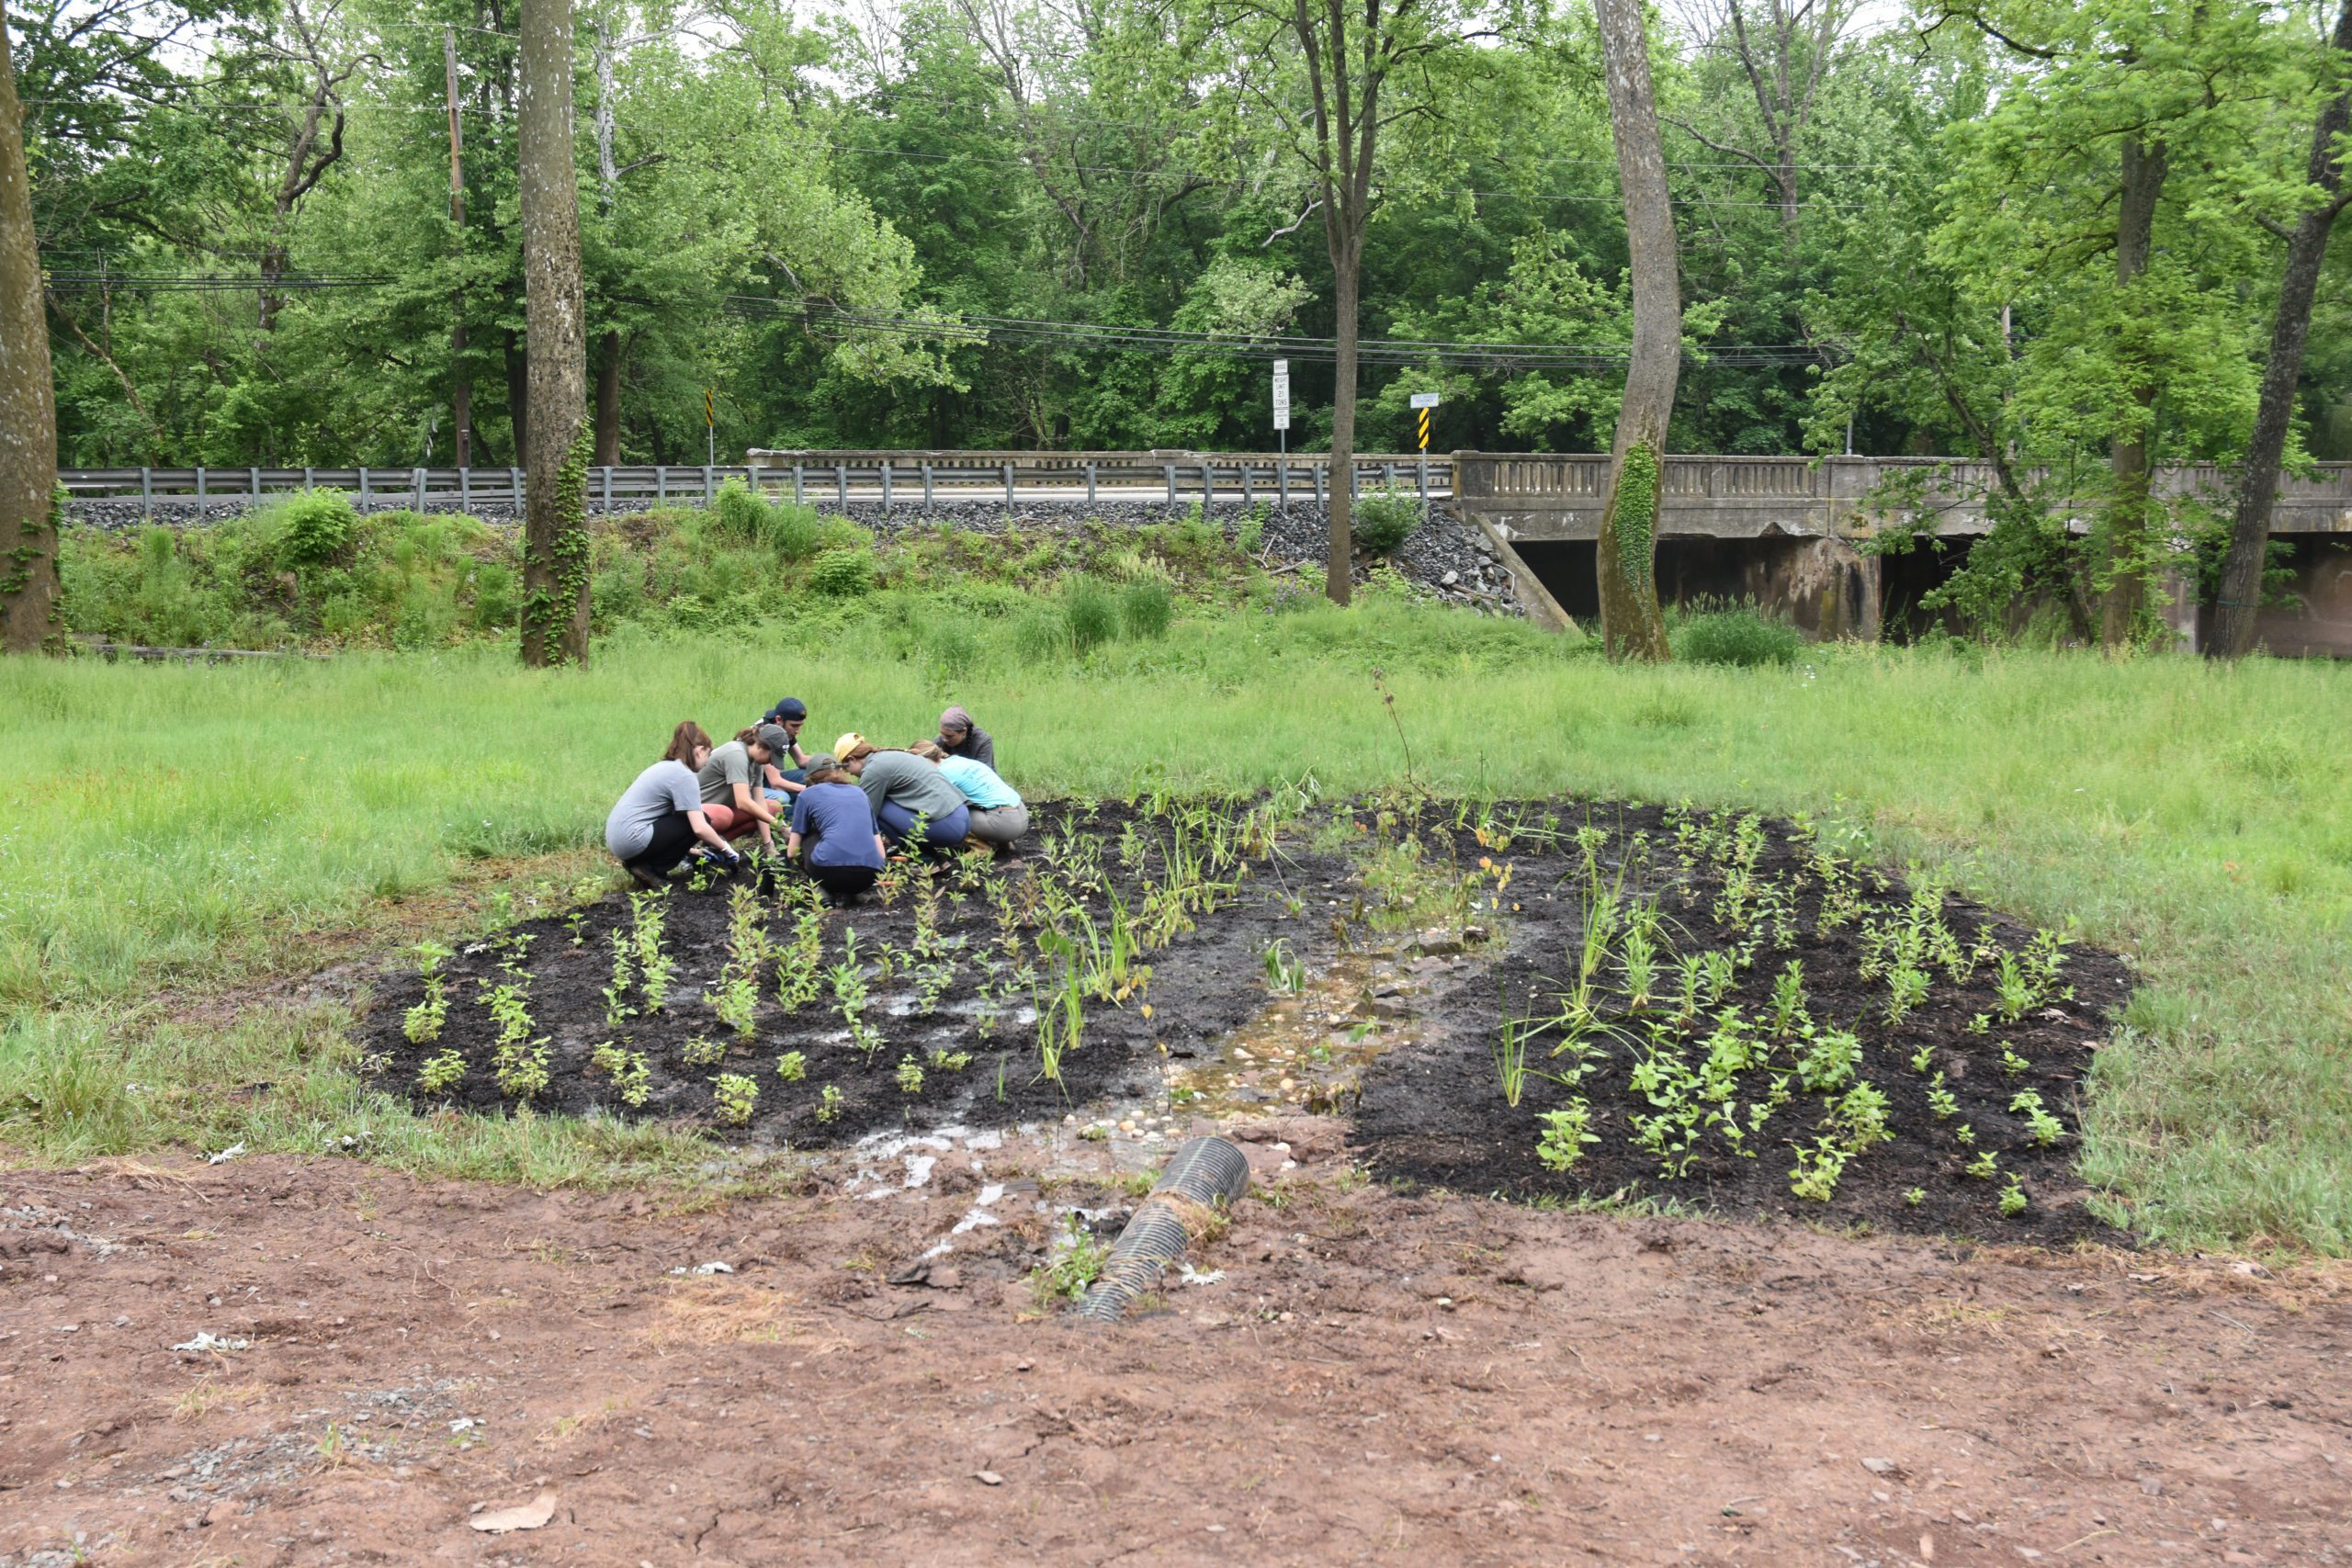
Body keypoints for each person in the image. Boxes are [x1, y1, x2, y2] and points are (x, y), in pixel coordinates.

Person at [605, 722, 746, 889]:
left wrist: (691, 851)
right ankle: (650, 868)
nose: (707, 762)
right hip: (633, 838)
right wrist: (727, 849)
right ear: (699, 751)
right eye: (708, 755)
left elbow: (666, 823)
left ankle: (642, 863)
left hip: (618, 839)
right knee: (702, 820)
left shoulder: (663, 767)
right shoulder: (684, 775)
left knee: (685, 819)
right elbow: (699, 828)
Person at [833, 732, 970, 849]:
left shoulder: (873, 771)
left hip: (947, 827)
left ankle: (925, 859)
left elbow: (863, 818)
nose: (849, 774)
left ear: (852, 759)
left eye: (846, 768)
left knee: (871, 807)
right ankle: (935, 858)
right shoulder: (890, 755)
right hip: (963, 818)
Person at [786, 754, 888, 903]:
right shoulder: (860, 793)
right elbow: (882, 854)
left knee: (808, 832)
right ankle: (853, 894)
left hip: (827, 870)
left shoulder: (807, 794)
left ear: (811, 779)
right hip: (869, 874)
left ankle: (822, 891)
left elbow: (791, 852)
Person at [910, 740, 1027, 851]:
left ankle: (981, 849)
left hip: (1003, 824)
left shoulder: (940, 774)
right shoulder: (958, 760)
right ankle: (1004, 843)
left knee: (949, 815)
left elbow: (935, 807)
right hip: (1022, 816)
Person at [697, 727, 783, 852]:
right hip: (699, 811)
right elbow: (743, 802)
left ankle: (712, 847)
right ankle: (692, 845)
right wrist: (781, 827)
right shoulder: (736, 754)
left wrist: (768, 844)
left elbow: (760, 802)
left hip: (721, 809)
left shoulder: (756, 762)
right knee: (724, 815)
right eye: (771, 757)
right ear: (761, 747)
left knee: (772, 808)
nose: (771, 762)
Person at [758, 699, 811, 800]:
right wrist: (811, 790)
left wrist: (829, 762)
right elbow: (775, 782)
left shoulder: (782, 728)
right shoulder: (769, 734)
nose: (798, 731)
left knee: (811, 774)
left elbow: (801, 760)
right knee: (784, 797)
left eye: (800, 726)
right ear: (779, 720)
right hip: (749, 786)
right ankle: (788, 816)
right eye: (794, 726)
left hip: (763, 779)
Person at [935, 705, 995, 770]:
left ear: (964, 731)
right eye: (942, 734)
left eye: (949, 736)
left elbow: (983, 773)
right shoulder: (938, 742)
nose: (944, 739)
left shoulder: (982, 741)